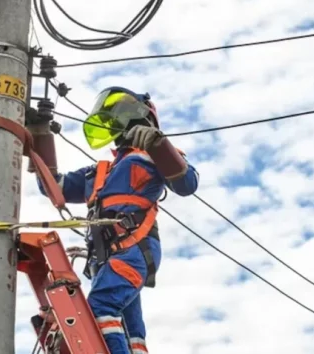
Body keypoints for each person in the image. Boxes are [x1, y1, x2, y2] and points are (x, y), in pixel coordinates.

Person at [27, 86, 199, 354]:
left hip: (132, 250)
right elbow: (53, 186)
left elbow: (187, 184)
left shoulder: (152, 156)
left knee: (101, 309)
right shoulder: (98, 172)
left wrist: (157, 144)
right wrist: (40, 135)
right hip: (103, 259)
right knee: (132, 335)